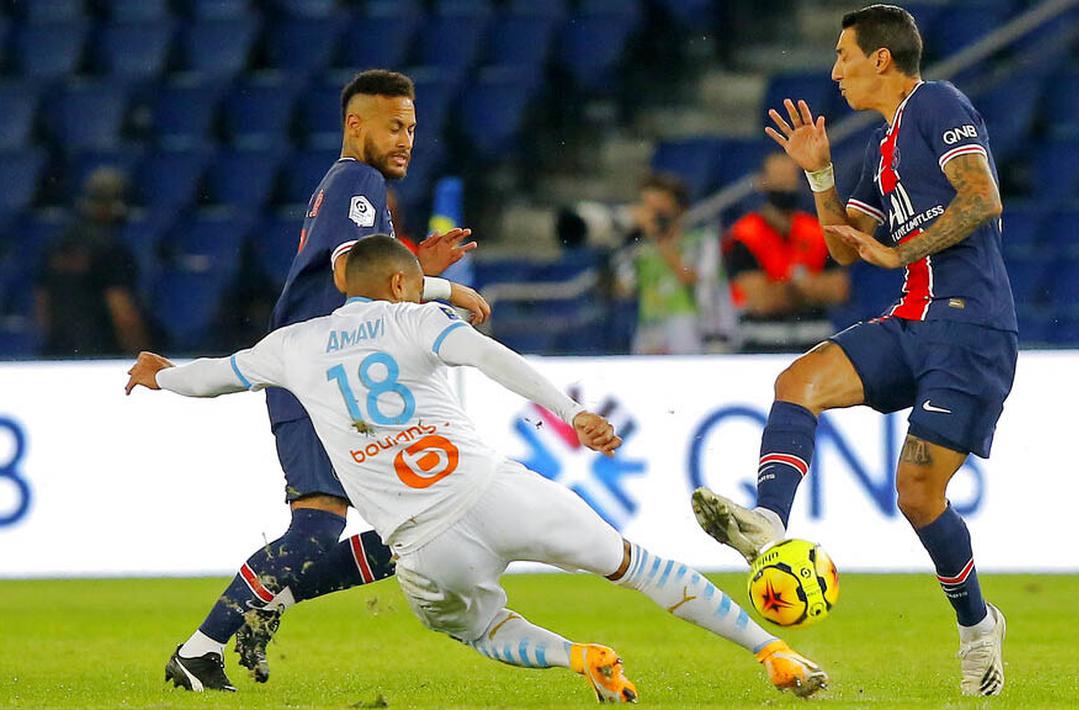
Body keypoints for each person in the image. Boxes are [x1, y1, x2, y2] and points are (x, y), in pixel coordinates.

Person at [128, 235, 828, 702]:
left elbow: (211, 379)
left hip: (423, 544)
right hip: (494, 489)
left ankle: (574, 657)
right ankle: (772, 653)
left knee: (483, 629)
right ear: (403, 283)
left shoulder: (293, 344)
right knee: (634, 563)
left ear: (342, 284)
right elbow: (494, 359)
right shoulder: (415, 320)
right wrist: (569, 411)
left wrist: (160, 377)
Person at [690, 5, 1016, 697]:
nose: (834, 70)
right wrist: (819, 177)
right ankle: (770, 523)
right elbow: (843, 244)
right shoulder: (881, 146)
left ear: (881, 59)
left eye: (843, 56)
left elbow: (982, 198)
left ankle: (976, 624)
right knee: (797, 381)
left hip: (970, 328)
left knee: (917, 495)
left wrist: (900, 248)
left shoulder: (937, 105)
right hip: (911, 320)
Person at [164, 69, 488, 691]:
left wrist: (416, 269)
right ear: (355, 125)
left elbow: (362, 283)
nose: (406, 140)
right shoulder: (357, 182)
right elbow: (346, 271)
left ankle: (271, 604)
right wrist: (441, 287)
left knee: (413, 535)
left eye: (413, 129)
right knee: (316, 527)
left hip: (346, 382)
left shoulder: (355, 190)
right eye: (394, 126)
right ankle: (197, 653)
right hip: (315, 375)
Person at [726, 153, 851, 352]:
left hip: (815, 341)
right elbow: (762, 301)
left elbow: (839, 289)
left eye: (790, 180)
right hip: (760, 343)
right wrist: (808, 288)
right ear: (762, 182)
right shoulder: (744, 235)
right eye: (779, 180)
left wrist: (780, 288)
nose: (786, 187)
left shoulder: (817, 230)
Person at [35, 167, 149, 357]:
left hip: (58, 352)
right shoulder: (111, 248)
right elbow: (121, 310)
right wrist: (139, 355)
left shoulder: (57, 245)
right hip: (101, 353)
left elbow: (42, 305)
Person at [614, 173, 706, 354]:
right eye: (647, 206)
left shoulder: (700, 241)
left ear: (677, 207)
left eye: (658, 207)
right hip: (650, 325)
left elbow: (690, 276)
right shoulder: (640, 248)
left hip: (688, 325)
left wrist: (659, 239)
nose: (651, 214)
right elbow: (623, 289)